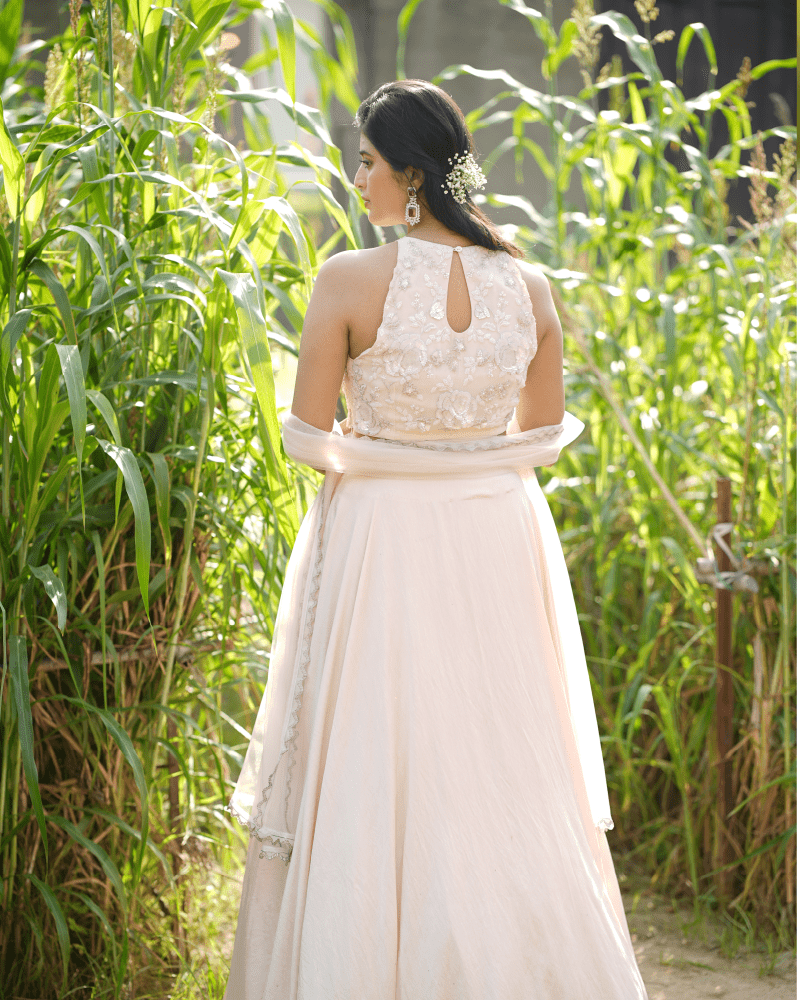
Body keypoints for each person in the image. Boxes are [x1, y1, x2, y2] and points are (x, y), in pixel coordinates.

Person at [223, 79, 649, 999]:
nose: (359, 177)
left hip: (388, 536)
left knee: (389, 742)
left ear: (411, 176)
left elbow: (306, 440)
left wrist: (389, 456)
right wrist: (462, 460)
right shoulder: (528, 286)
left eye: (369, 162)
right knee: (497, 747)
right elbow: (538, 434)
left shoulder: (346, 280)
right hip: (498, 532)